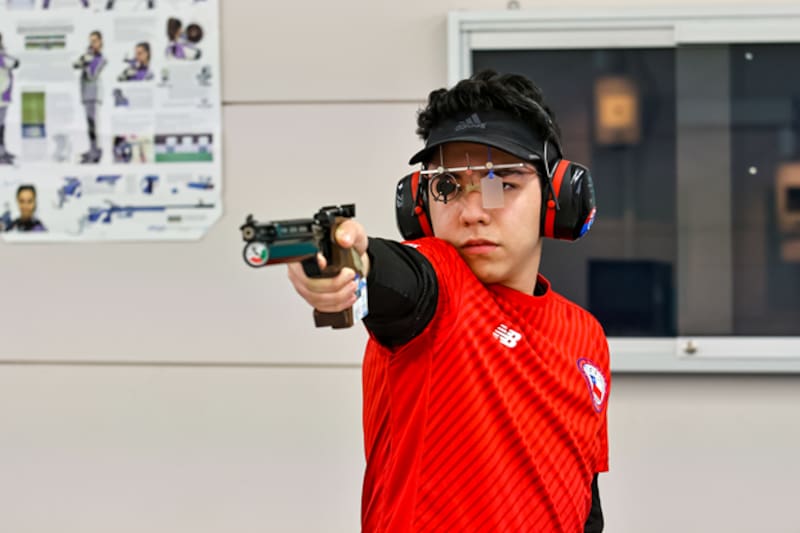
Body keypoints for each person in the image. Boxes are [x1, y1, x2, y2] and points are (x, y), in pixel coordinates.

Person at [287, 70, 609, 532]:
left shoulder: (586, 335)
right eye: (447, 187)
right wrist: (342, 262)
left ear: (557, 198)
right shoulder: (440, 284)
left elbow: (583, 497)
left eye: (501, 184)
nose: (472, 211)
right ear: (420, 204)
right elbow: (395, 275)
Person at [73, 30, 106, 163]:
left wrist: (87, 63)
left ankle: (96, 151)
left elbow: (92, 75)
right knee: (89, 124)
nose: (92, 44)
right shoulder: (89, 56)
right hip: (86, 94)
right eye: (90, 41)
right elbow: (75, 65)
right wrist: (84, 59)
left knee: (93, 124)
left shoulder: (101, 59)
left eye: (94, 41)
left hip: (93, 95)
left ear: (100, 42)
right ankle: (92, 149)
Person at [0, 32, 20, 165]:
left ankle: (3, 151)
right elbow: (13, 63)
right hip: (1, 95)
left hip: (4, 95)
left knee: (2, 126)